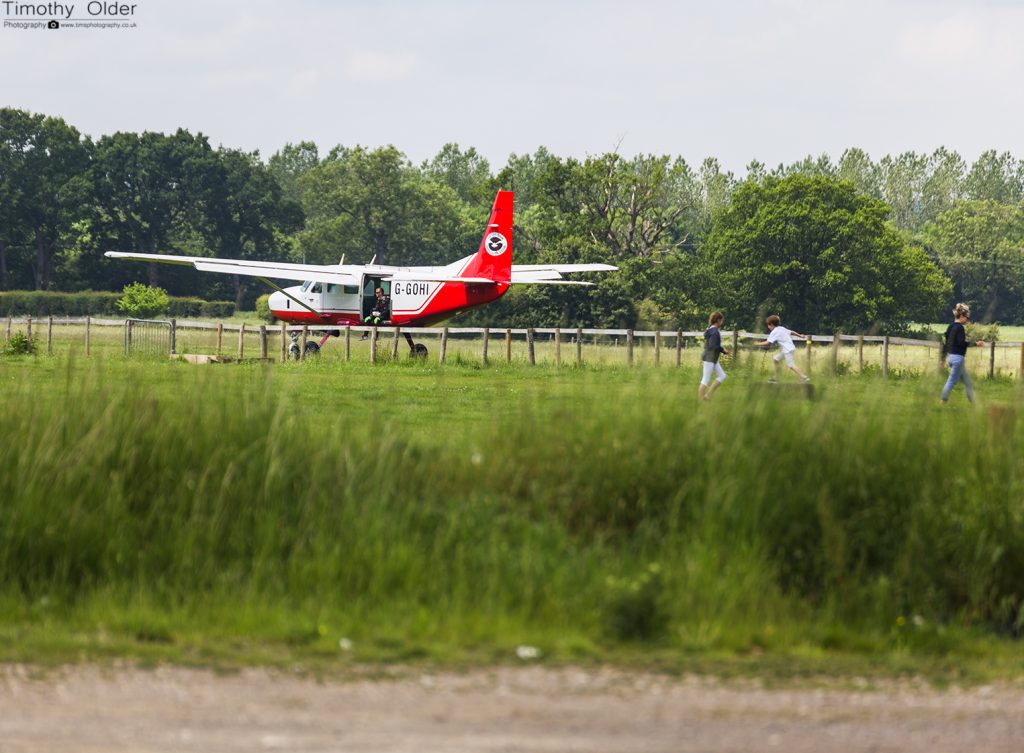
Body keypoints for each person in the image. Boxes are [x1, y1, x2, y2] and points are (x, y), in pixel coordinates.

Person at [940, 302, 984, 403]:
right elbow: (961, 342)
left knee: (967, 381)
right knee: (951, 381)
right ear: (962, 316)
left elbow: (947, 343)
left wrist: (943, 358)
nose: (967, 320)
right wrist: (975, 343)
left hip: (950, 357)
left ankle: (973, 402)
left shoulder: (950, 327)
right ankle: (942, 400)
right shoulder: (960, 328)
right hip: (958, 359)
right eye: (967, 318)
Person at [754, 315, 810, 383]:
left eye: (768, 325)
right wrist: (800, 335)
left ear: (771, 324)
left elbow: (767, 343)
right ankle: (777, 378)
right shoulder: (781, 328)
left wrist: (757, 343)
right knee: (776, 359)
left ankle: (803, 377)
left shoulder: (774, 332)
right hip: (789, 348)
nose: (768, 327)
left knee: (791, 365)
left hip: (787, 350)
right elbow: (791, 332)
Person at [698, 311, 729, 401]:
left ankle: (707, 396)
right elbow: (712, 346)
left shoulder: (711, 329)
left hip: (712, 358)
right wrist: (723, 350)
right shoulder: (714, 331)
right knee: (705, 380)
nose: (722, 323)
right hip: (709, 358)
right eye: (721, 320)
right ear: (718, 320)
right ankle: (701, 401)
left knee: (722, 376)